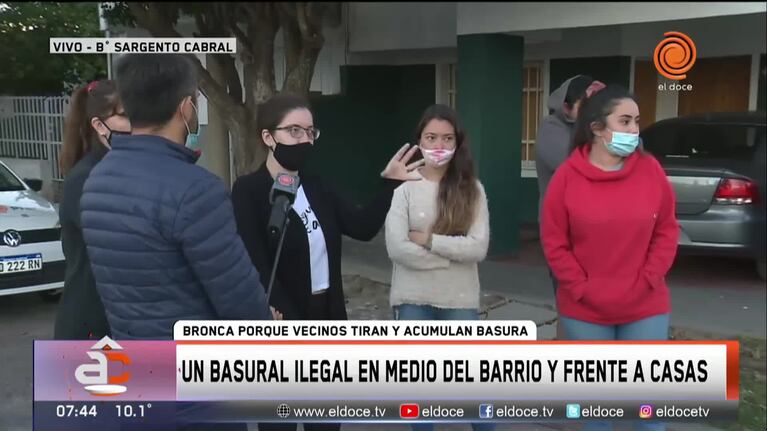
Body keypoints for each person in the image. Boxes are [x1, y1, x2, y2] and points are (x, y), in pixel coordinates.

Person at [231, 93, 422, 431]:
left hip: (328, 317)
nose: (304, 140)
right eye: (294, 131)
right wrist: (284, 322)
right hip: (280, 323)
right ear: (267, 137)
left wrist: (390, 185)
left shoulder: (317, 185)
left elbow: (362, 228)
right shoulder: (248, 191)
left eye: (310, 132)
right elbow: (255, 263)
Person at [80, 54, 277, 343]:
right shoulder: (196, 190)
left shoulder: (97, 180)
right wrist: (266, 325)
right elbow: (237, 295)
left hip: (135, 359)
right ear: (186, 108)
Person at [540, 84, 679, 431]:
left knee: (647, 412)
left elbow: (666, 230)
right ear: (597, 128)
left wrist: (648, 279)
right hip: (585, 309)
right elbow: (555, 242)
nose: (635, 130)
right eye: (625, 121)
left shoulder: (651, 171)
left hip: (645, 305)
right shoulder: (567, 179)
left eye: (636, 122)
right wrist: (582, 288)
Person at [384, 104, 493, 431]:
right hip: (412, 300)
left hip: (459, 301)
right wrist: (453, 255)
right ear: (419, 141)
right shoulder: (404, 189)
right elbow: (397, 249)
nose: (439, 146)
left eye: (447, 138)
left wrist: (430, 241)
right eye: (431, 138)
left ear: (458, 143)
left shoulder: (472, 190)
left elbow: (478, 247)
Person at [53, 79, 130, 340]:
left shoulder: (122, 172)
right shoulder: (86, 179)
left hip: (121, 323)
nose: (137, 123)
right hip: (89, 327)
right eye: (125, 115)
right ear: (99, 125)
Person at [535, 75, 605, 339]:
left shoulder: (602, 131)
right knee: (570, 300)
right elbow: (578, 165)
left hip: (600, 232)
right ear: (569, 106)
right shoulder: (551, 129)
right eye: (588, 105)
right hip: (563, 233)